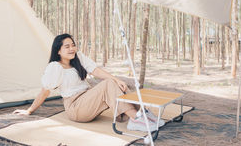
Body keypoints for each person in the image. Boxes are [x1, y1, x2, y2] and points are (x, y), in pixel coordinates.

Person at [13, 33, 164, 132]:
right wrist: (30, 110)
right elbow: (45, 91)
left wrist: (118, 79)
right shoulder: (55, 67)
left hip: (88, 99)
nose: (72, 49)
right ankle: (136, 120)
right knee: (108, 84)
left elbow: (95, 70)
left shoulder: (78, 57)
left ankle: (142, 113)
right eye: (67, 46)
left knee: (115, 83)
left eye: (73, 45)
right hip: (76, 107)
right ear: (58, 51)